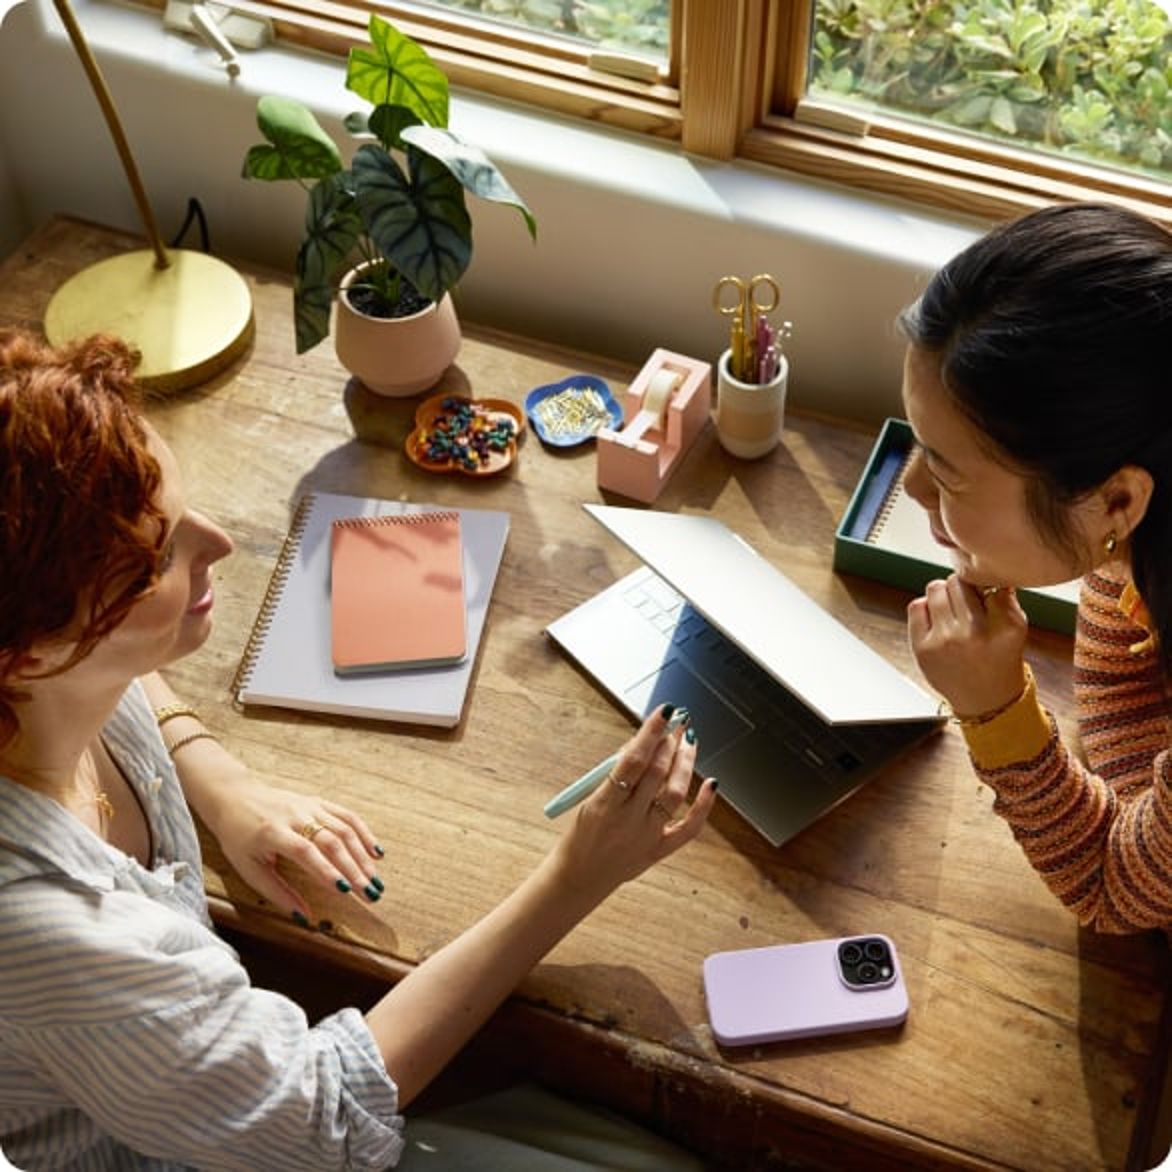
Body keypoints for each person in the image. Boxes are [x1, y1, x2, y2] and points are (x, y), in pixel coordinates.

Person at [0, 327, 717, 1169]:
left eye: (180, 508)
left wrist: (217, 777)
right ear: (31, 647)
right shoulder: (54, 930)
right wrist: (577, 875)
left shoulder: (44, 684)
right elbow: (325, 1121)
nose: (218, 542)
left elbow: (122, 674)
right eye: (157, 557)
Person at [897, 201, 1172, 934]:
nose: (913, 487)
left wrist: (995, 709)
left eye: (948, 473)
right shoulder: (1140, 513)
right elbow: (1124, 689)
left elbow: (1117, 893)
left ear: (1116, 498)